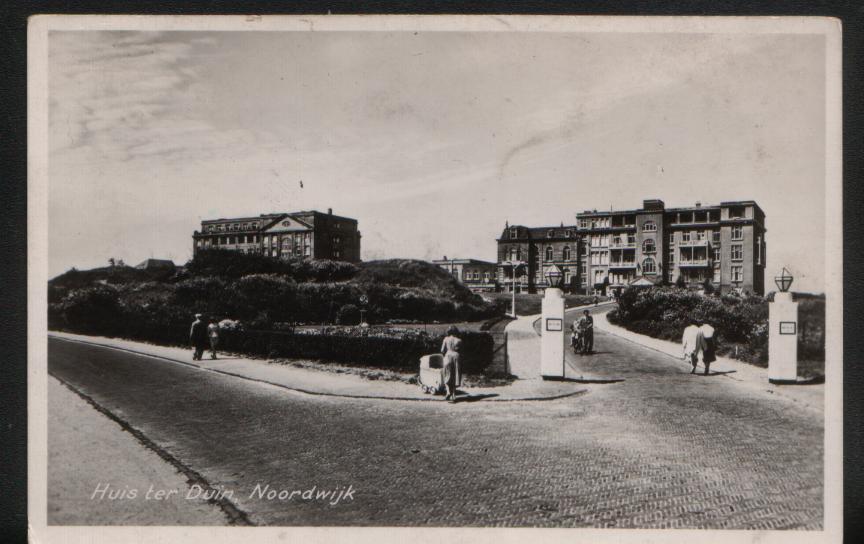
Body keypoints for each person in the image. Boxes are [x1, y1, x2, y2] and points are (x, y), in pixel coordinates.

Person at [440, 326, 462, 402]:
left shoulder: (446, 339)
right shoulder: (459, 340)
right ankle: (453, 395)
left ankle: (448, 392)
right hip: (456, 356)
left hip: (448, 356)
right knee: (455, 376)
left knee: (447, 375)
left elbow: (442, 350)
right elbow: (461, 350)